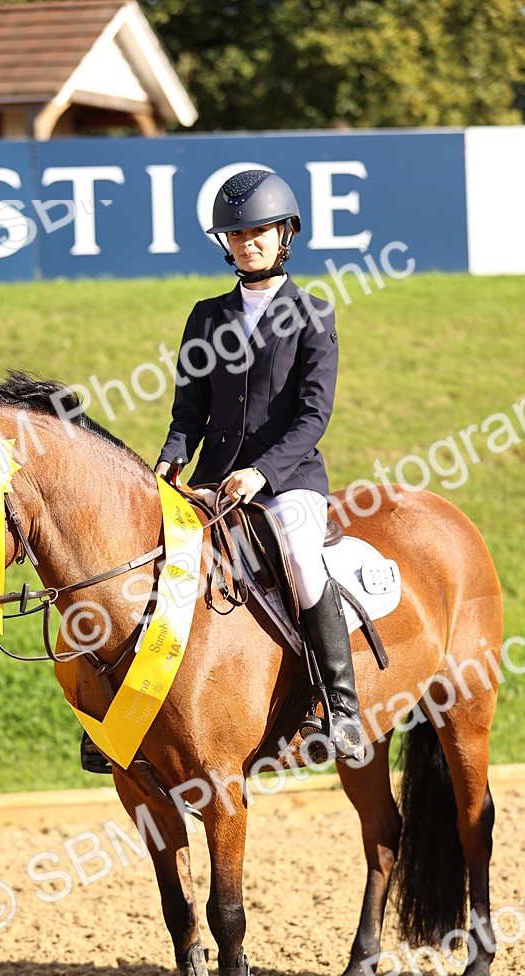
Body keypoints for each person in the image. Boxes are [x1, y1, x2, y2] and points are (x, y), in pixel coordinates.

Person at [81, 169, 364, 773]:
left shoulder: (313, 314)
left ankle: (339, 704)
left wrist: (261, 474)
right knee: (149, 564)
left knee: (301, 559)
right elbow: (189, 411)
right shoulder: (206, 316)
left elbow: (314, 416)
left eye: (259, 231)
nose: (247, 242)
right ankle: (121, 714)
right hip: (211, 481)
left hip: (288, 484)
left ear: (285, 234)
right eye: (235, 234)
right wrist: (170, 458)